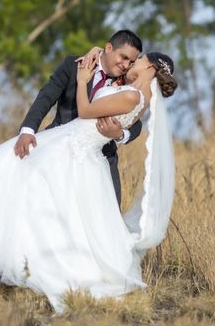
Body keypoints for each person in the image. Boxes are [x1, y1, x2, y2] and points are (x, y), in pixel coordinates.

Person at [0, 51, 178, 312]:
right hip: (72, 146)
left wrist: (85, 81)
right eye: (130, 58)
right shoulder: (134, 94)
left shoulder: (133, 95)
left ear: (150, 67)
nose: (132, 64)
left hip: (74, 150)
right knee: (49, 209)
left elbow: (87, 110)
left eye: (138, 60)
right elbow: (76, 87)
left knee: (15, 178)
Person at [14, 29, 144, 207]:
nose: (125, 65)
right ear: (108, 48)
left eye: (131, 61)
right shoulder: (74, 65)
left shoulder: (127, 83)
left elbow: (137, 118)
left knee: (105, 219)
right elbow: (46, 97)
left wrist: (121, 134)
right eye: (123, 57)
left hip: (102, 159)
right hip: (59, 148)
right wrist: (28, 130)